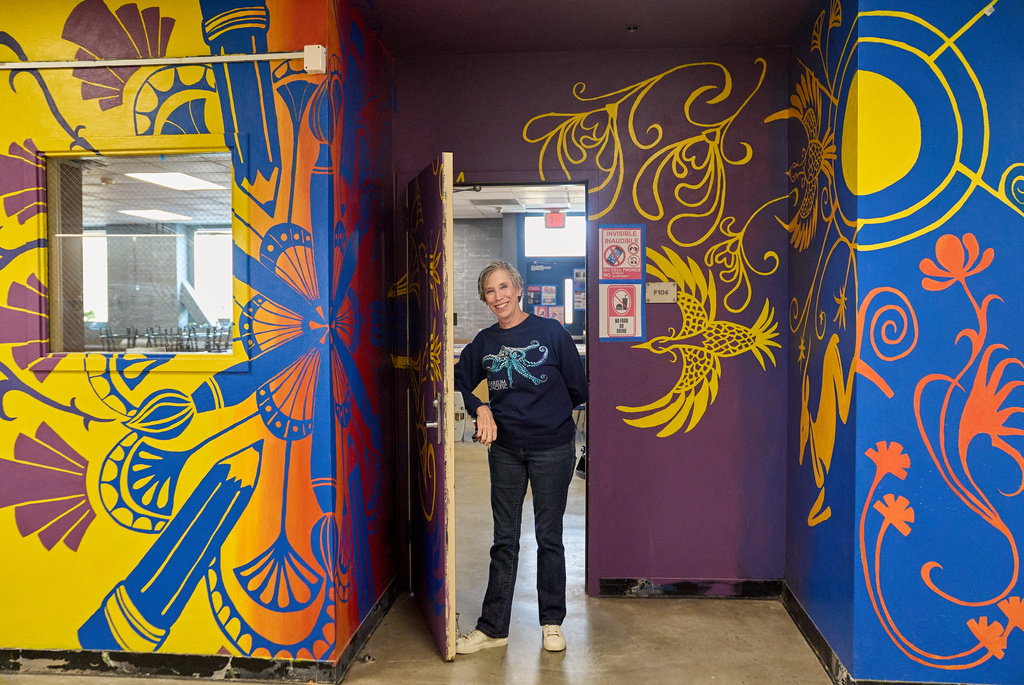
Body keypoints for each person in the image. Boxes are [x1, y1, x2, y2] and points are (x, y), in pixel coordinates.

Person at [453, 260, 588, 654]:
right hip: (507, 450)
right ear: (485, 299)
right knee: (504, 539)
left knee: (549, 537)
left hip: (552, 449)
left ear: (518, 288)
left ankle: (551, 622)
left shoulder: (550, 332)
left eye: (503, 288)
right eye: (490, 292)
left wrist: (546, 414)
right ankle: (494, 629)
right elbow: (460, 380)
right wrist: (481, 407)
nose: (498, 297)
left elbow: (578, 389)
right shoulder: (484, 341)